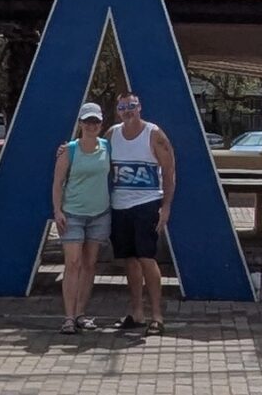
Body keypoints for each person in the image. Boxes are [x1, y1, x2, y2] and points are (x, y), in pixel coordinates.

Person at [105, 93, 174, 334]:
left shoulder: (153, 134)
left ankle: (157, 315)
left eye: (131, 106)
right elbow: (93, 155)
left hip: (147, 203)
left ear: (140, 107)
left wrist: (165, 206)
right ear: (118, 110)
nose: (128, 111)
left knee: (147, 258)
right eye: (123, 107)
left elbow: (169, 171)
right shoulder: (112, 134)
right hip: (119, 205)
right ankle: (137, 312)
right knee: (130, 260)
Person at [49, 102, 112, 334]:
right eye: (87, 121)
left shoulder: (107, 146)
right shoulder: (69, 150)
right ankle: (68, 316)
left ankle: (80, 313)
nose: (92, 125)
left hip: (99, 213)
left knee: (89, 264)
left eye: (95, 121)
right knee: (73, 263)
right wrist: (58, 211)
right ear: (80, 124)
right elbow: (57, 183)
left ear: (101, 124)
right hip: (73, 213)